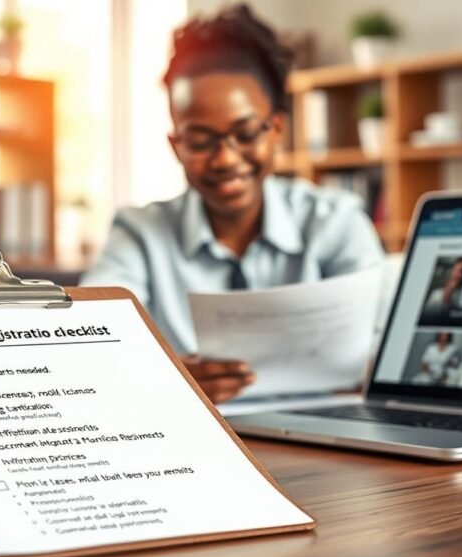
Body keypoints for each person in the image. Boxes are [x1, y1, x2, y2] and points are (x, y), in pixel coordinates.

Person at [80, 5, 384, 403]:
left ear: (276, 129)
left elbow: (385, 349)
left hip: (327, 442)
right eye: (200, 140)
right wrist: (166, 376)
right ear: (176, 146)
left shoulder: (336, 220)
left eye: (244, 133)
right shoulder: (139, 233)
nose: (225, 159)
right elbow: (89, 340)